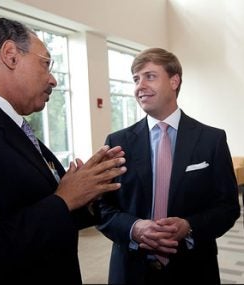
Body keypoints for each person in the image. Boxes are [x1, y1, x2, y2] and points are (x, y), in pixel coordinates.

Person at [0, 18, 127, 284]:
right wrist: (64, 199)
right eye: (46, 63)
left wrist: (87, 193)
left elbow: (34, 205)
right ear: (11, 55)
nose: (53, 79)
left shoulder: (16, 128)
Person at [95, 47, 240, 284]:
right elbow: (101, 207)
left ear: (174, 81)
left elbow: (228, 207)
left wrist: (189, 226)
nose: (139, 86)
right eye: (135, 79)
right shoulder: (117, 143)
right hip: (131, 271)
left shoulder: (211, 140)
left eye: (149, 76)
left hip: (193, 269)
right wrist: (134, 228)